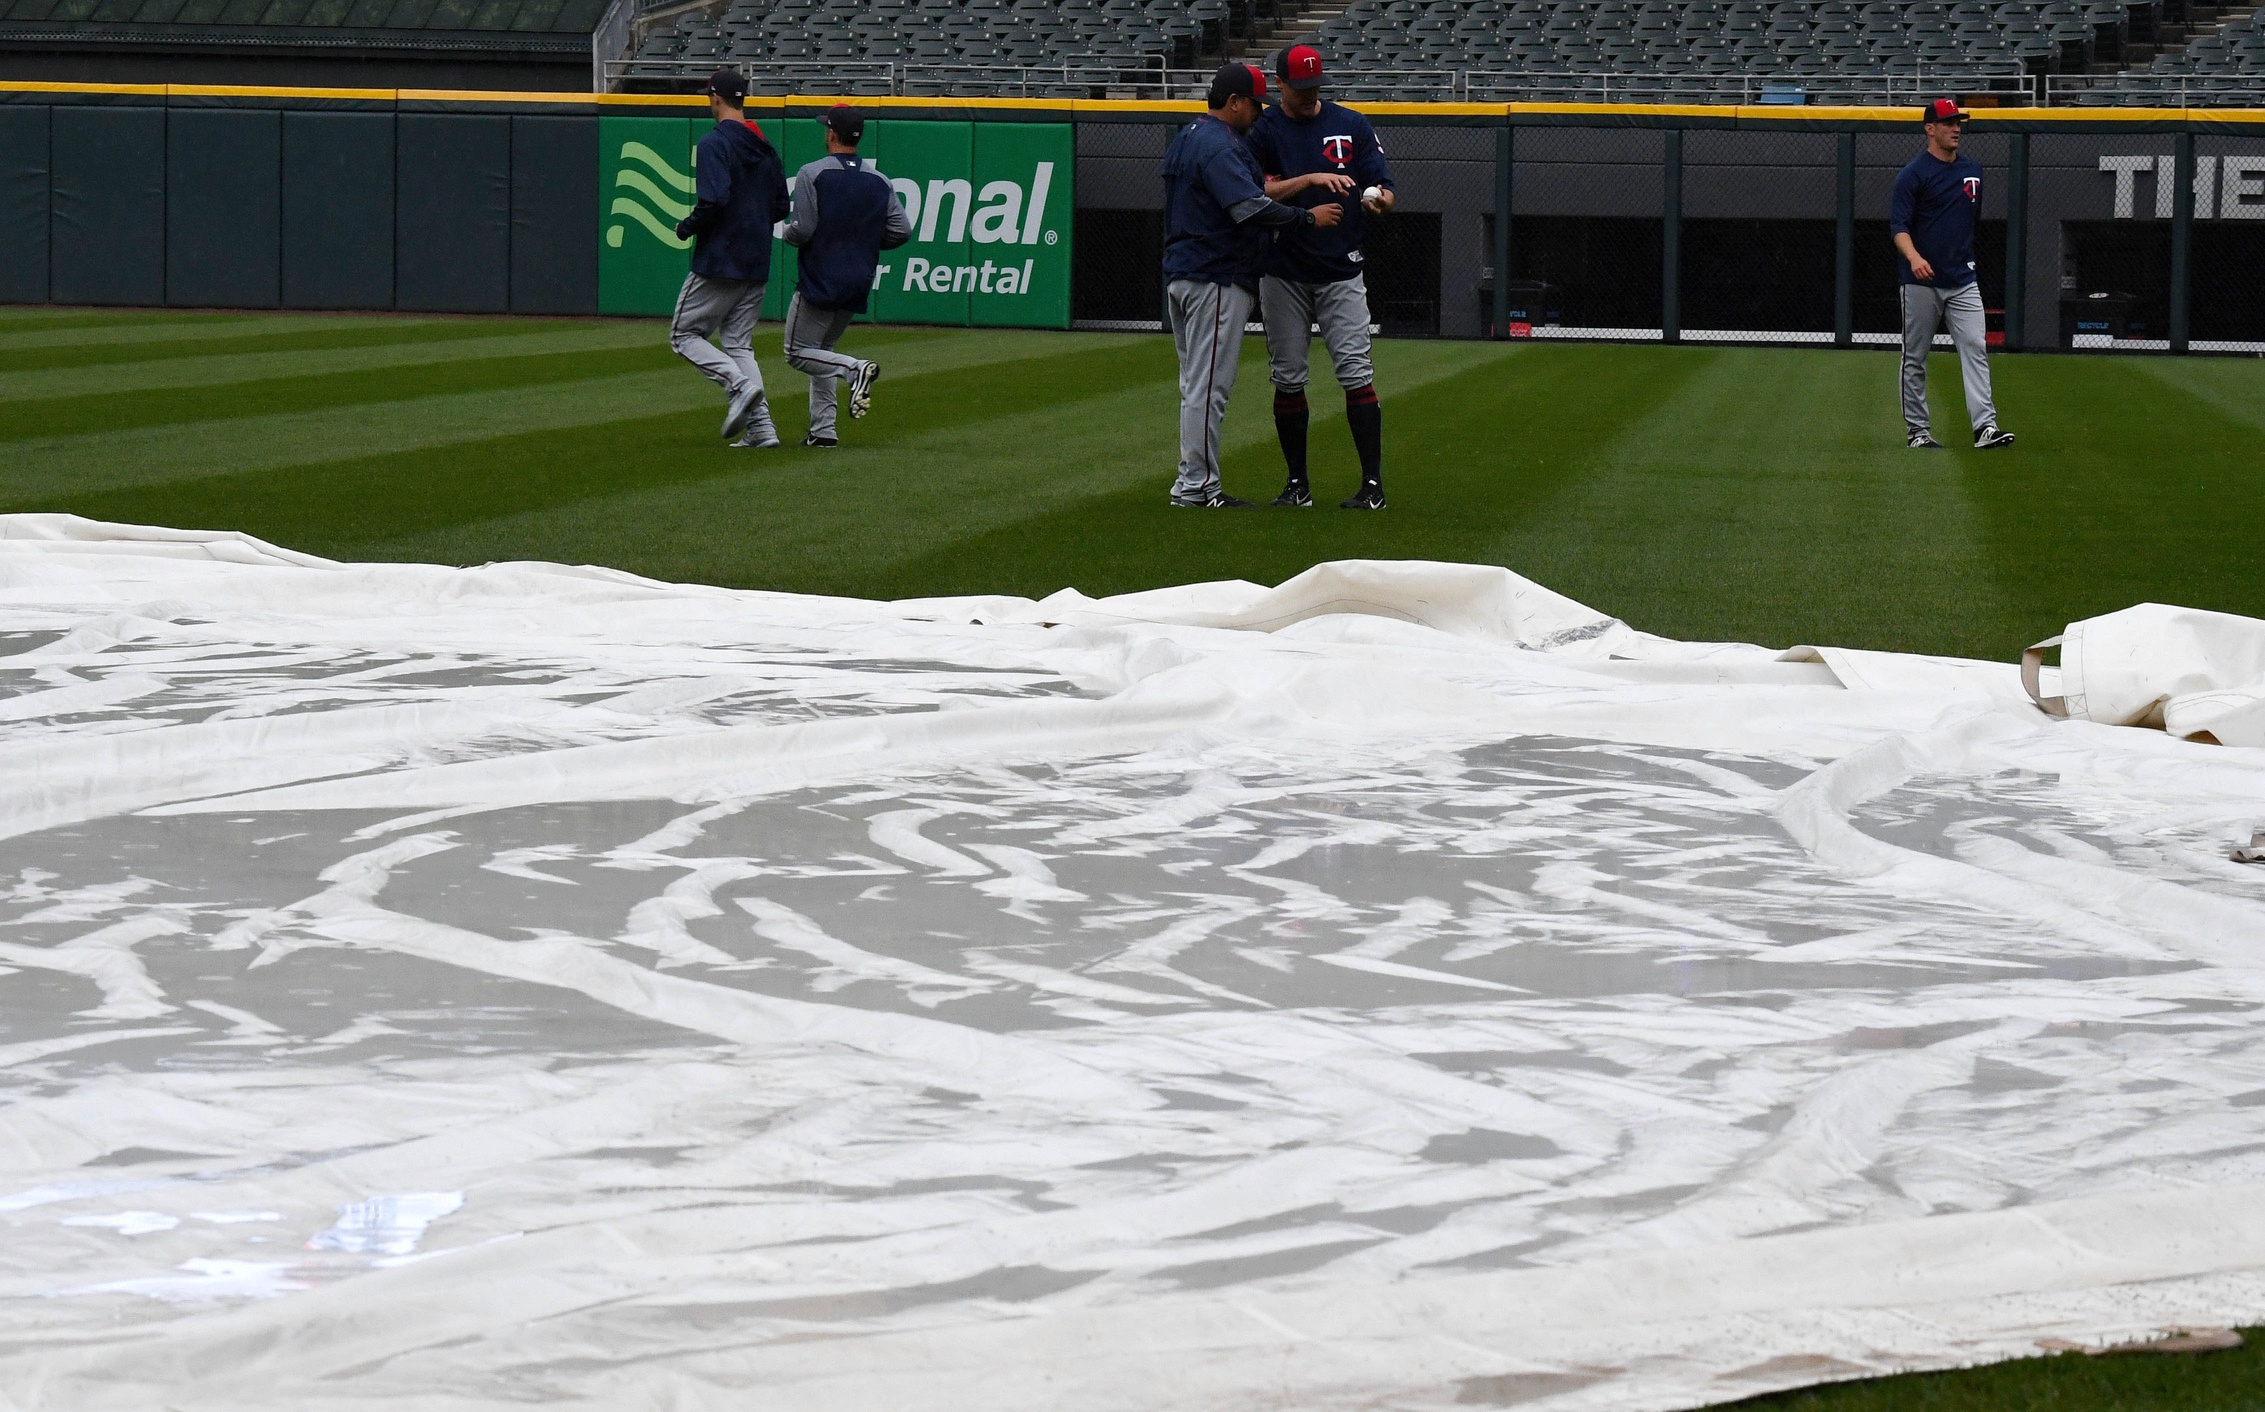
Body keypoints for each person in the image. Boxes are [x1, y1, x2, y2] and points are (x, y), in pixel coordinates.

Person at [1161, 62, 1341, 509]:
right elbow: (1248, 209)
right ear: (1235, 102)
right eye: (1254, 104)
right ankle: (1198, 488)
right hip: (1216, 276)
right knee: (1208, 388)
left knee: (1194, 385)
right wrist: (1306, 218)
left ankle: (1191, 482)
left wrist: (1294, 185)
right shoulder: (1220, 145)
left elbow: (1248, 195)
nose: (1259, 113)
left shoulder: (1189, 137)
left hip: (1184, 273)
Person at [1247, 45, 1395, 510]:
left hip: (1340, 268)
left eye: (1315, 87)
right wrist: (1309, 182)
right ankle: (1298, 486)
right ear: (1280, 85)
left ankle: (1372, 486)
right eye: (1300, 88)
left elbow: (1385, 186)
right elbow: (1256, 189)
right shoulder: (1265, 127)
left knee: (1356, 373)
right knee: (1288, 376)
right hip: (1284, 270)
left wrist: (1379, 202)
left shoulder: (1350, 123)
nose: (1310, 96)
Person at [670, 68, 791, 449]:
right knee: (738, 343)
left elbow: (715, 198)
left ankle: (738, 386)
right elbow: (780, 207)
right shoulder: (765, 146)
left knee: (683, 335)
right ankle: (762, 429)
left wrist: (688, 226)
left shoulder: (714, 143)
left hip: (721, 257)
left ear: (716, 99)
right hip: (756, 259)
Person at [781, 105, 910, 448]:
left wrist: (786, 234)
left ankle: (855, 370)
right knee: (824, 350)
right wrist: (866, 239)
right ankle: (823, 432)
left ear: (832, 134)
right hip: (859, 277)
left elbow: (804, 228)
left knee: (797, 352)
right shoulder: (879, 180)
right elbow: (902, 230)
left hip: (822, 275)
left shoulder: (813, 173)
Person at [1892, 98, 2014, 452]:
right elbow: (1898, 227)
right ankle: (1918, 431)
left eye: (1958, 122)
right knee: (1914, 356)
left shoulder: (1973, 170)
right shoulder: (1913, 174)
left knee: (1976, 348)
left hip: (1962, 279)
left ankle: (1984, 427)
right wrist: (1914, 257)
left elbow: (1970, 226)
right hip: (1920, 281)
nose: (1956, 128)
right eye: (1948, 122)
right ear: (1930, 129)